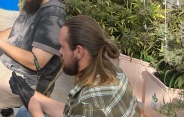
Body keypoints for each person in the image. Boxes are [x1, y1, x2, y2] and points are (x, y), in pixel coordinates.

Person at [10, 16, 141, 117]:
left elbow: (83, 109)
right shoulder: (113, 72)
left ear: (78, 51)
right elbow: (70, 111)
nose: (60, 52)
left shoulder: (91, 105)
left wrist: (37, 112)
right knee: (24, 111)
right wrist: (31, 94)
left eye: (62, 46)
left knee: (26, 113)